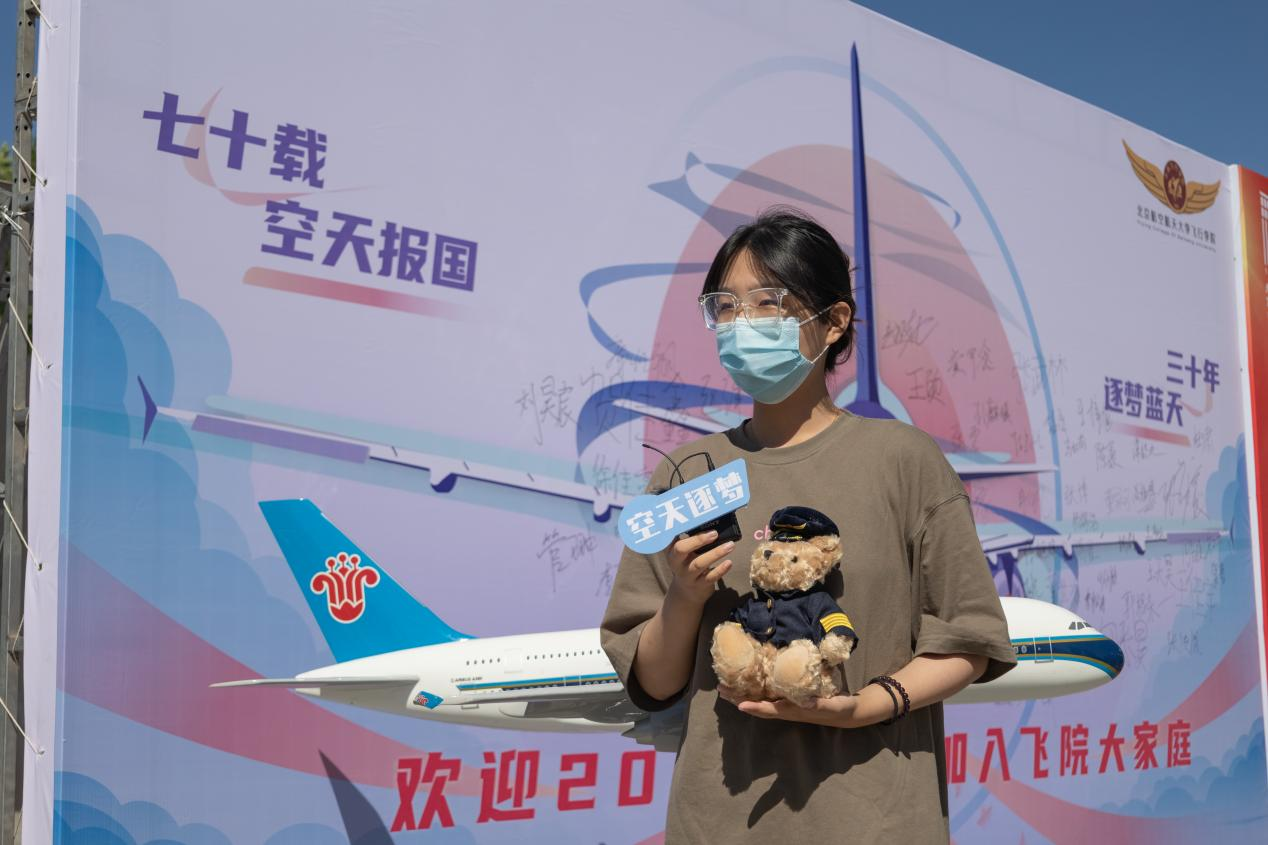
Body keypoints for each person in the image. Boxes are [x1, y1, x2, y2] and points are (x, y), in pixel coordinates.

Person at [599, 206, 1016, 843]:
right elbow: (653, 682)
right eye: (726, 307)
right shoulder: (688, 472)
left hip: (874, 819)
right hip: (720, 822)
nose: (742, 324)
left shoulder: (903, 460)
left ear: (833, 322)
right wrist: (684, 595)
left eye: (768, 303)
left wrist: (867, 706)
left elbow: (968, 637)